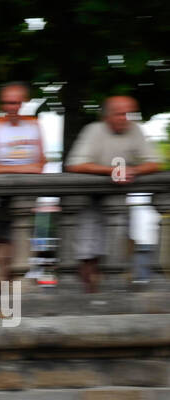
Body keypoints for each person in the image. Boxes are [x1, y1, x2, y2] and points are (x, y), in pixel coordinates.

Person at [64, 95, 161, 293]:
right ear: (107, 116)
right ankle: (87, 296)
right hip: (86, 201)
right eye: (119, 114)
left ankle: (104, 296)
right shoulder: (93, 131)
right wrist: (113, 171)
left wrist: (134, 171)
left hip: (115, 202)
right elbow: (75, 164)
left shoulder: (135, 131)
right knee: (87, 251)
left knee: (113, 250)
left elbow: (154, 162)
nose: (124, 118)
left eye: (128, 114)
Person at [0, 82, 46, 282]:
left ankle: (11, 296)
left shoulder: (34, 127)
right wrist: (22, 168)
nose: (11, 107)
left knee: (18, 248)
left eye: (15, 103)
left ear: (23, 102)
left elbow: (40, 164)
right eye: (6, 103)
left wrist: (11, 168)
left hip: (25, 198)